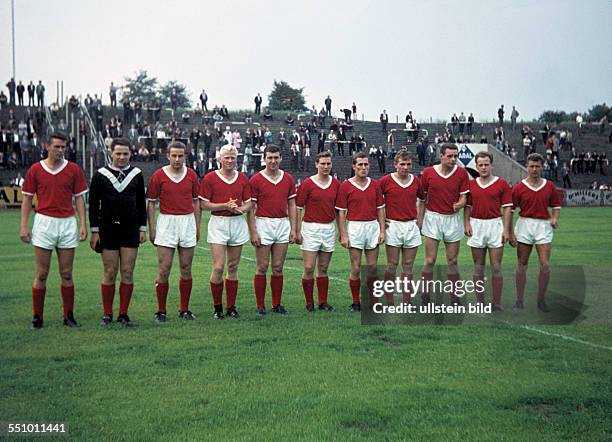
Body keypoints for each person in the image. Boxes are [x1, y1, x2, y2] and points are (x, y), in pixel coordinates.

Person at [20, 131, 88, 329]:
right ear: (46, 146)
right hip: (44, 223)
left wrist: (83, 223)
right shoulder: (35, 170)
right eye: (56, 146)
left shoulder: (74, 169)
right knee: (41, 273)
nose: (60, 150)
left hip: (67, 223)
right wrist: (24, 226)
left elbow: (79, 199)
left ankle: (68, 316)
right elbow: (27, 198)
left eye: (63, 147)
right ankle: (37, 317)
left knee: (66, 273)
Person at [89, 138, 147, 327]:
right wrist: (94, 230)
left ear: (131, 154)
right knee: (110, 271)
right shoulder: (100, 175)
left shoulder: (137, 174)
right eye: (118, 153)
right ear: (110, 153)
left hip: (130, 229)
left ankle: (123, 314)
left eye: (125, 153)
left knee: (128, 271)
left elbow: (141, 203)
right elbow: (93, 205)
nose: (122, 157)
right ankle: (107, 314)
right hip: (108, 229)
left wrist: (142, 228)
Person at [146, 141, 201, 322]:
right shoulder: (158, 175)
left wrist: (197, 226)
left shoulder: (191, 175)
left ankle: (184, 310)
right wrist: (152, 228)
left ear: (185, 156)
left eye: (181, 156)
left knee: (186, 268)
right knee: (164, 268)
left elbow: (196, 202)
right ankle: (161, 311)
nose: (177, 159)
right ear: (168, 156)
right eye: (174, 156)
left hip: (187, 222)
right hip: (167, 222)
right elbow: (152, 202)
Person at [199, 145, 252, 319]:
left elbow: (249, 203)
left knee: (233, 266)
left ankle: (231, 307)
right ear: (219, 159)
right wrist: (224, 205)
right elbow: (204, 204)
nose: (229, 161)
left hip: (237, 223)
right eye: (226, 158)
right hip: (219, 223)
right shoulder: (210, 178)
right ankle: (217, 308)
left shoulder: (242, 178)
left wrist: (241, 210)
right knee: (218, 266)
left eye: (232, 158)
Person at [247, 145, 297, 316]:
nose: (273, 161)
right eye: (270, 158)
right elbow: (251, 208)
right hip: (263, 224)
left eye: (276, 158)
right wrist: (253, 231)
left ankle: (277, 304)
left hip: (282, 224)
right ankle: (260, 305)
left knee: (277, 267)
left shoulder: (288, 178)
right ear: (264, 158)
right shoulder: (256, 179)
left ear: (281, 158)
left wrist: (294, 228)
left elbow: (292, 204)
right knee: (262, 266)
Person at [510, 153, 561, 312]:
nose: (534, 169)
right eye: (531, 166)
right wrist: (510, 231)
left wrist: (554, 218)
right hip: (525, 224)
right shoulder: (519, 187)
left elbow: (556, 205)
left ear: (542, 167)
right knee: (522, 264)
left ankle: (541, 301)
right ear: (527, 166)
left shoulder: (549, 185)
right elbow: (510, 210)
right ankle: (519, 300)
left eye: (537, 166)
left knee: (545, 265)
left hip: (543, 226)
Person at [418, 143, 469, 305]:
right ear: (441, 156)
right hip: (433, 218)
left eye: (456, 156)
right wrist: (420, 219)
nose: (453, 159)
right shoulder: (428, 173)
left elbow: (464, 197)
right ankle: (425, 294)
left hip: (452, 220)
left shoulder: (461, 173)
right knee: (430, 260)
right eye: (450, 156)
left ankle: (454, 297)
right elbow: (422, 199)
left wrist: (460, 204)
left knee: (452, 261)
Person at [336, 152, 385, 311]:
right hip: (355, 227)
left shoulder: (375, 184)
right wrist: (343, 234)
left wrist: (382, 231)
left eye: (366, 164)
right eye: (360, 165)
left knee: (372, 267)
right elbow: (341, 213)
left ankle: (373, 301)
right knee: (356, 267)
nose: (364, 168)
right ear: (354, 166)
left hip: (372, 226)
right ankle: (356, 302)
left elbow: (380, 210)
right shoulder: (346, 186)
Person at [463, 152, 512, 310]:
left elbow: (506, 209)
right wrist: (466, 224)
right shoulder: (471, 184)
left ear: (492, 165)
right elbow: (467, 206)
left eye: (486, 164)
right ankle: (480, 302)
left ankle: (496, 302)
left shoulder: (502, 184)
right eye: (480, 165)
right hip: (476, 225)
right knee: (478, 266)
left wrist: (506, 230)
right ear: (476, 166)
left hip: (495, 225)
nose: (483, 167)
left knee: (496, 266)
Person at [295, 151, 340, 312]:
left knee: (323, 268)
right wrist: (297, 230)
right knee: (308, 267)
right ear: (316, 164)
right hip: (311, 228)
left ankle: (322, 302)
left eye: (328, 163)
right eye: (323, 163)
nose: (326, 166)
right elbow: (298, 208)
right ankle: (309, 303)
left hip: (328, 228)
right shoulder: (308, 183)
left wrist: (340, 231)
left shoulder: (335, 184)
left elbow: (338, 210)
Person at [379, 150, 423, 305]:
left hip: (411, 225)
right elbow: (377, 201)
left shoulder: (416, 181)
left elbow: (422, 200)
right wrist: (381, 220)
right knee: (392, 264)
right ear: (395, 164)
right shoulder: (385, 181)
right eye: (402, 164)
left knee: (408, 266)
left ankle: (406, 301)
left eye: (408, 164)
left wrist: (420, 219)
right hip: (393, 225)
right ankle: (389, 300)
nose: (405, 167)